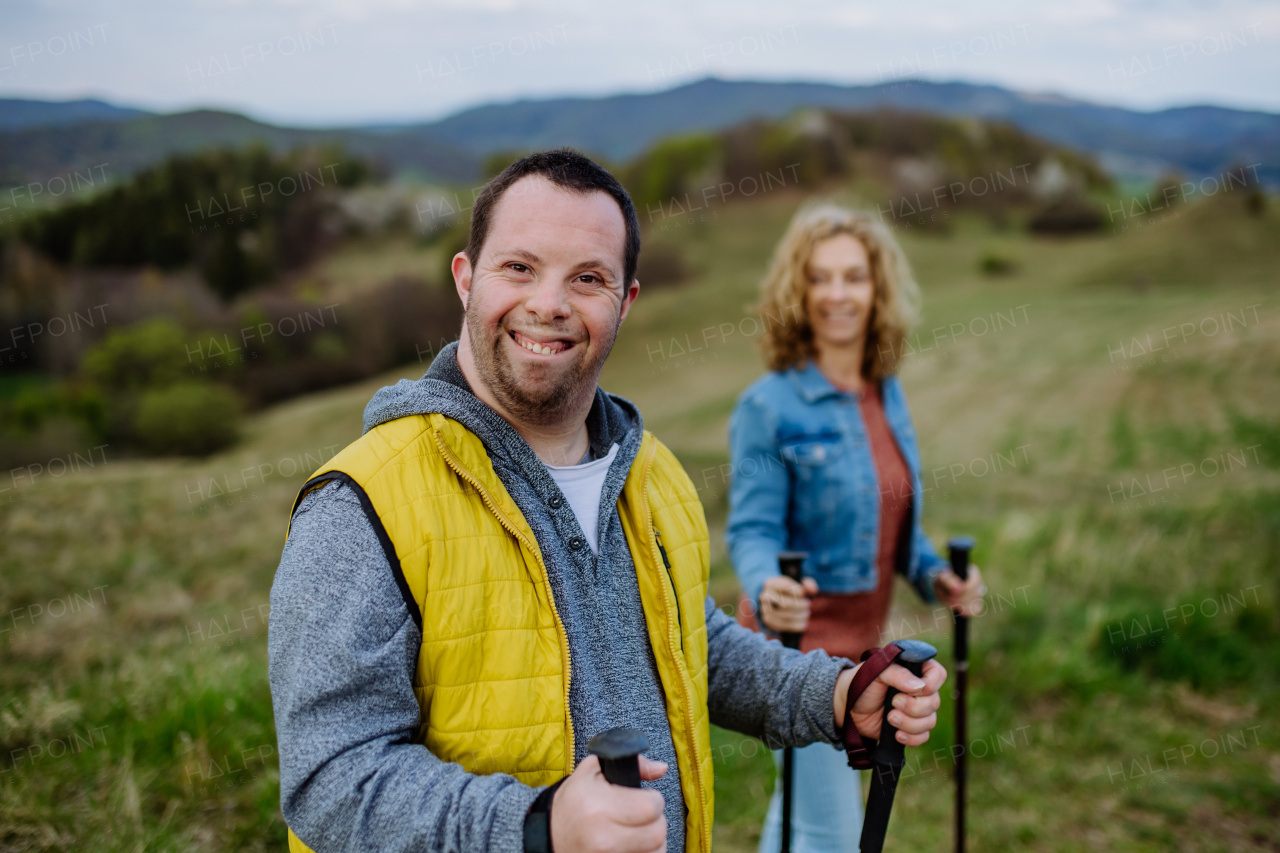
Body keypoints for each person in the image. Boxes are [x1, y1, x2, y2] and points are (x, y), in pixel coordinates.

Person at [268, 152, 946, 853]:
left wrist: (832, 695)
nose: (549, 303)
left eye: (587, 278)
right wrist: (539, 825)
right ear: (466, 279)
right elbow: (331, 779)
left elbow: (694, 646)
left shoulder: (650, 473)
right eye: (519, 268)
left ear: (625, 301)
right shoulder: (361, 505)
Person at [725, 204, 985, 853]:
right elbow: (752, 528)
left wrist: (935, 576)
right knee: (834, 833)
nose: (838, 294)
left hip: (862, 652)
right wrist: (764, 584)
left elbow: (894, 522)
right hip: (794, 654)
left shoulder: (883, 391)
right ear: (798, 291)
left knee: (800, 819)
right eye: (820, 278)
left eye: (854, 277)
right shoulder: (768, 405)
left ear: (878, 290)